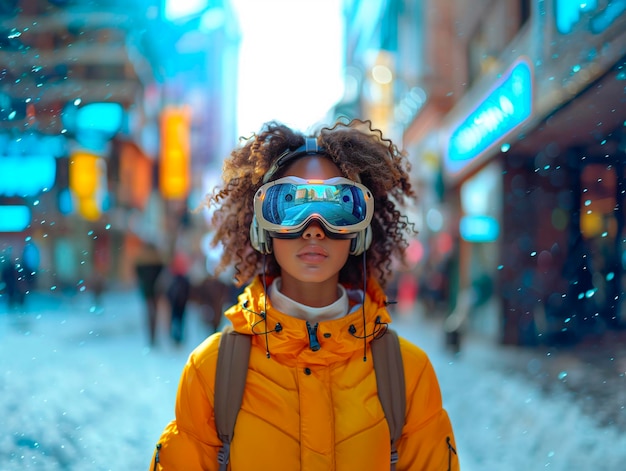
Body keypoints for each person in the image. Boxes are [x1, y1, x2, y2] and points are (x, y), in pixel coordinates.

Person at [150, 120, 459, 470]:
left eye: (339, 205)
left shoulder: (407, 373)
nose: (314, 228)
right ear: (261, 227)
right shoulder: (212, 371)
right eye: (289, 206)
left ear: (359, 233)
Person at [134, 241, 165, 346]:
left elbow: (138, 275)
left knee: (149, 313)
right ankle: (153, 337)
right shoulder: (158, 260)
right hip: (155, 289)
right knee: (154, 313)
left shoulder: (141, 260)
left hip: (147, 289)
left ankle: (151, 338)